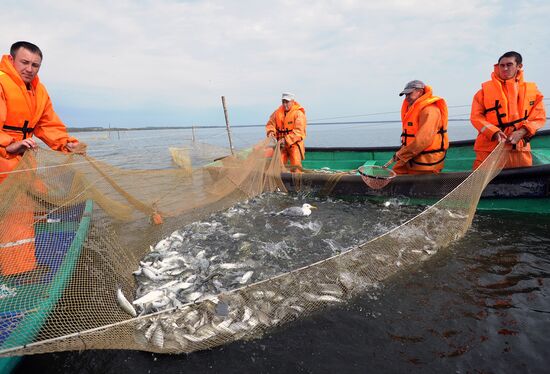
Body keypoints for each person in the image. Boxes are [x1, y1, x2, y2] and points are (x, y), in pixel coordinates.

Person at [0, 41, 85, 276]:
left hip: (23, 159)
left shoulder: (39, 90)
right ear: (11, 59)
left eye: (35, 65)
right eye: (25, 62)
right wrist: (9, 143)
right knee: (15, 212)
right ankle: (18, 270)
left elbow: (48, 124)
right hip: (4, 157)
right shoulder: (1, 82)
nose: (30, 68)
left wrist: (67, 144)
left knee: (32, 201)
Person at [470, 51, 546, 169]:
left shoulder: (533, 92)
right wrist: (494, 132)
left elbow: (539, 117)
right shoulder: (483, 92)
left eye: (509, 65)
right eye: (502, 65)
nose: (505, 68)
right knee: (485, 185)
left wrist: (522, 132)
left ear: (519, 66)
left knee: (522, 185)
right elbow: (476, 117)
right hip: (489, 151)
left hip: (520, 150)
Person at [390, 80, 449, 175]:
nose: (407, 97)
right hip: (412, 156)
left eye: (409, 93)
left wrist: (402, 154)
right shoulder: (414, 109)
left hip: (426, 161)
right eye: (405, 95)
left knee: (418, 183)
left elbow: (424, 139)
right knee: (397, 171)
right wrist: (402, 154)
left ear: (420, 92)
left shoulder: (429, 110)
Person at [265, 92, 306, 172]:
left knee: (296, 166)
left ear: (293, 102)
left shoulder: (298, 114)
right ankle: (279, 182)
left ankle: (297, 181)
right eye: (283, 102)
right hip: (281, 145)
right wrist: (271, 131)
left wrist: (286, 139)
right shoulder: (277, 113)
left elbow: (299, 131)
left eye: (287, 102)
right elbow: (270, 124)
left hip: (294, 144)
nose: (285, 104)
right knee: (278, 165)